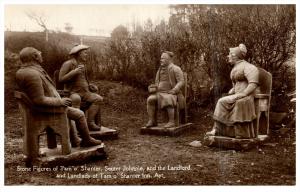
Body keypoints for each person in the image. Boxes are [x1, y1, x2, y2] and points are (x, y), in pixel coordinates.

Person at [16, 47, 103, 147]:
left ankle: (76, 139)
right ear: (35, 56)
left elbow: (46, 91)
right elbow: (39, 99)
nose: (41, 54)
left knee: (81, 108)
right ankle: (85, 140)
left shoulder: (30, 71)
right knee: (78, 113)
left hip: (50, 104)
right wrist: (60, 101)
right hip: (47, 108)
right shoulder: (32, 74)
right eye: (39, 53)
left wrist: (89, 86)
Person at [206, 44, 260, 139]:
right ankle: (221, 130)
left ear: (235, 56)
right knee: (223, 100)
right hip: (238, 94)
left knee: (221, 101)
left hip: (247, 96)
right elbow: (235, 84)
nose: (228, 56)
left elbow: (253, 84)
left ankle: (229, 131)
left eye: (230, 54)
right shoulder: (235, 68)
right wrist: (233, 90)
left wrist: (244, 94)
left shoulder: (249, 67)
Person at [59, 45, 103, 131]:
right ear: (79, 53)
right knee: (76, 99)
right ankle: (76, 127)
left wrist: (90, 86)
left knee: (98, 99)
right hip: (72, 92)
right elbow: (61, 79)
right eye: (85, 53)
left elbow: (84, 80)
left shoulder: (82, 65)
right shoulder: (68, 64)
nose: (87, 55)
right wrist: (74, 72)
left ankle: (90, 123)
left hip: (85, 93)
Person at [145, 51, 185, 128]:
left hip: (172, 93)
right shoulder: (159, 70)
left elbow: (181, 81)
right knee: (150, 99)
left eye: (163, 58)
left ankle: (171, 121)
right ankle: (152, 120)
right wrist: (153, 87)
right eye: (161, 58)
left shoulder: (176, 68)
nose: (161, 60)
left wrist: (174, 90)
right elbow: (157, 83)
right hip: (160, 93)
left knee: (167, 98)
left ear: (169, 59)